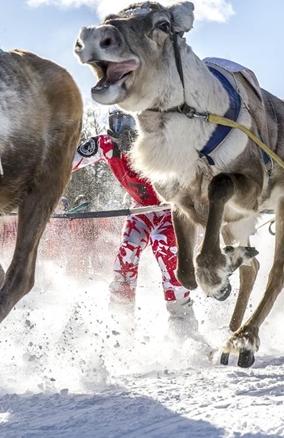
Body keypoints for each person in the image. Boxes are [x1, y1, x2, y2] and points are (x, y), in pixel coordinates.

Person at [72, 110, 198, 341]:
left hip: (170, 209)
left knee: (163, 246)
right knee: (127, 250)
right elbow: (70, 161)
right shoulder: (105, 145)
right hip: (141, 209)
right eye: (125, 143)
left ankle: (182, 318)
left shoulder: (161, 140)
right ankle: (121, 318)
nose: (130, 152)